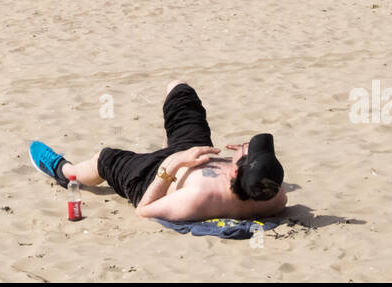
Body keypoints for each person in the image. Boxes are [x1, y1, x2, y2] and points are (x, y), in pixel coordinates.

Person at [29, 81, 287, 221]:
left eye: (246, 153)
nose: (243, 149)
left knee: (104, 159)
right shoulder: (274, 195)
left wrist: (173, 165)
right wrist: (247, 156)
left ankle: (63, 170)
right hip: (192, 151)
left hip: (152, 175)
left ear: (235, 172)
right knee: (180, 91)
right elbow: (257, 177)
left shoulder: (199, 197)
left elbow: (144, 208)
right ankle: (172, 141)